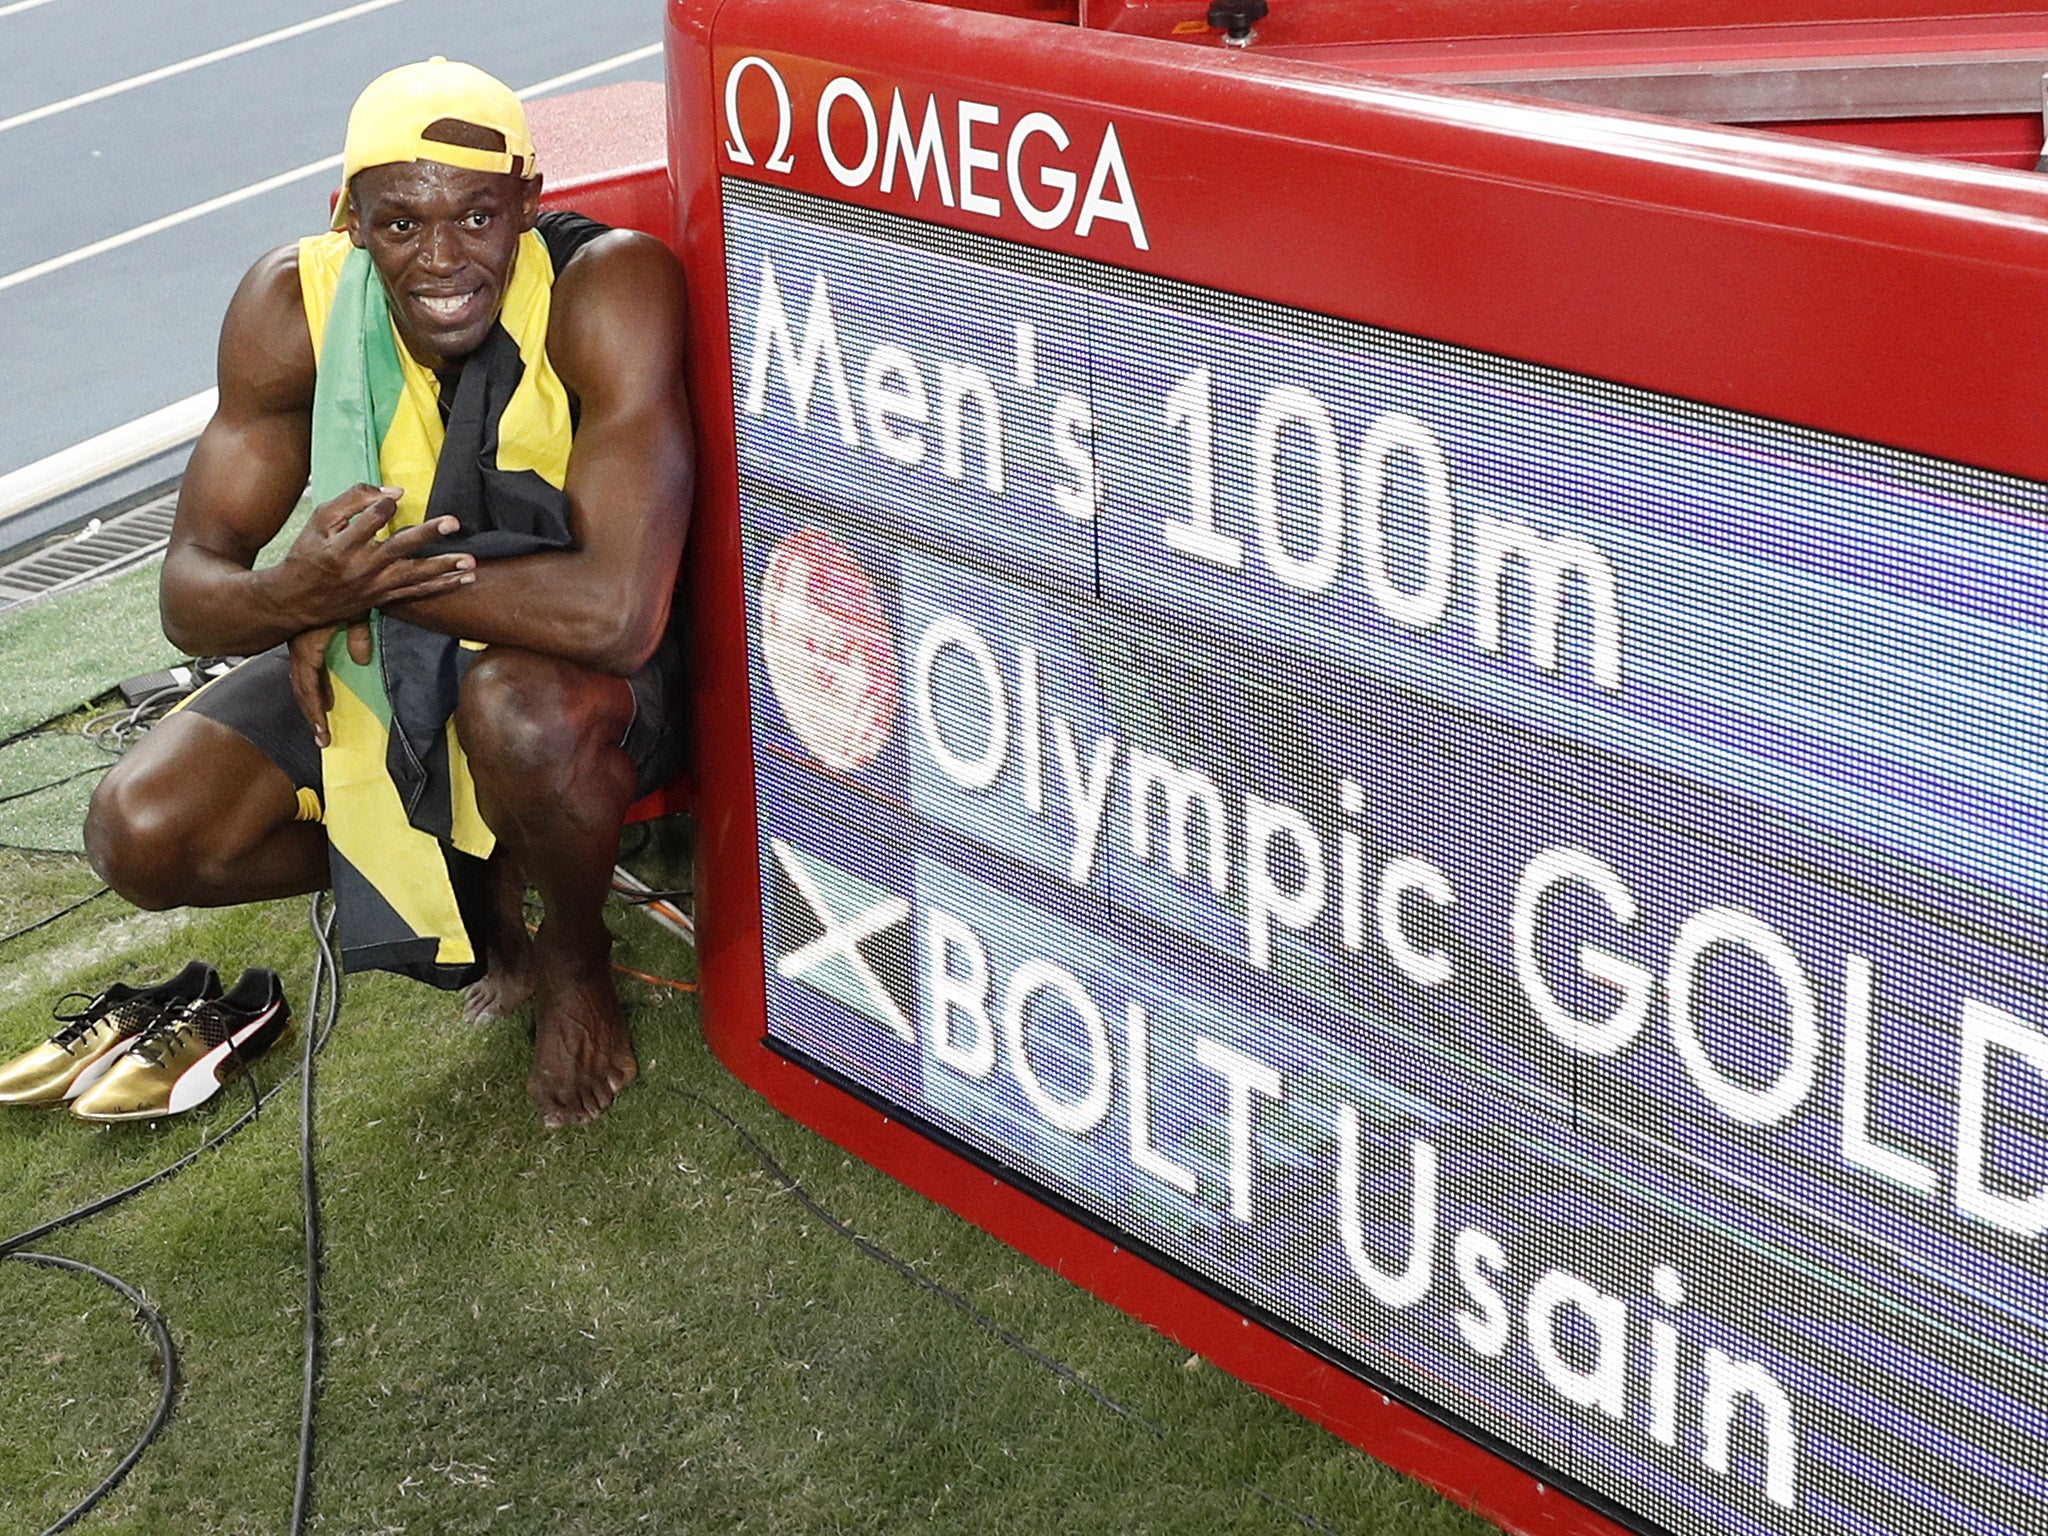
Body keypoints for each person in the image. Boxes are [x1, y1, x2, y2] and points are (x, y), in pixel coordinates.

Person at [84, 59, 694, 1127]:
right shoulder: (293, 304)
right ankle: (473, 889)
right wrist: (302, 596)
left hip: (577, 671)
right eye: (402, 225)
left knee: (515, 713)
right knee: (141, 832)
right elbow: (192, 592)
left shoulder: (610, 284)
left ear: (529, 203)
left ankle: (576, 960)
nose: (446, 259)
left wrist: (346, 597)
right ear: (348, 220)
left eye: (476, 215)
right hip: (401, 639)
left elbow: (616, 614)